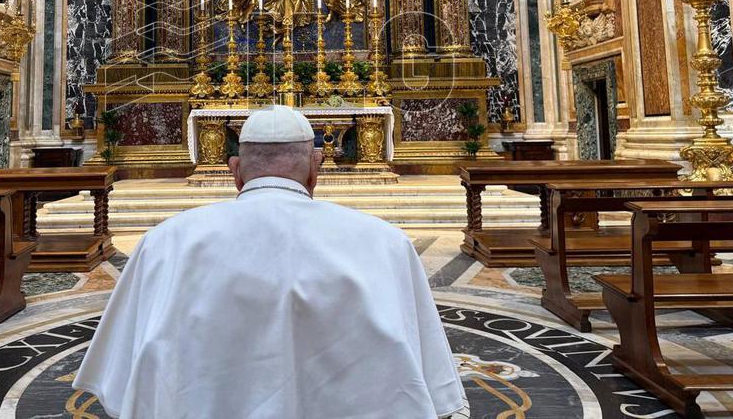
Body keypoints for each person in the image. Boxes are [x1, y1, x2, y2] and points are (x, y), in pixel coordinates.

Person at [74, 105, 466, 418]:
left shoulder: (164, 243)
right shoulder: (386, 244)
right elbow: (430, 383)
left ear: (235, 170)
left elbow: (120, 379)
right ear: (315, 168)